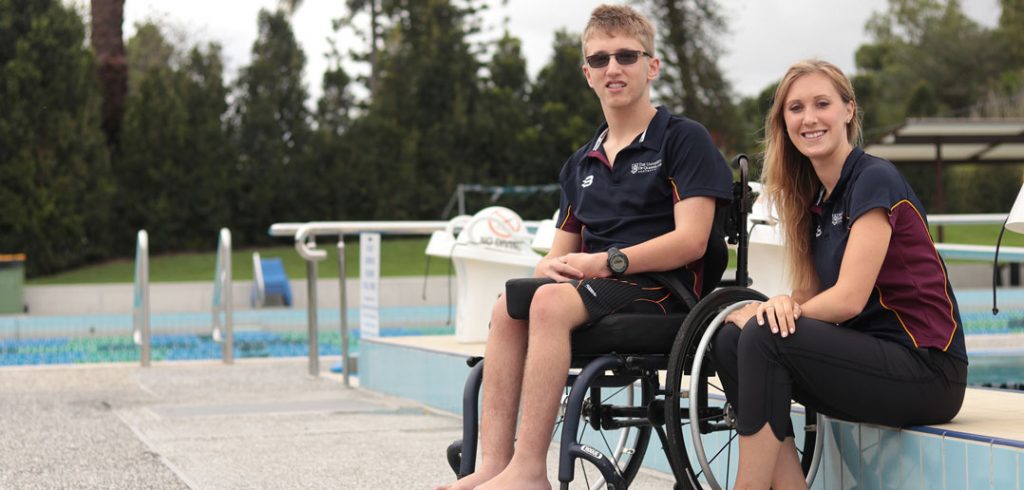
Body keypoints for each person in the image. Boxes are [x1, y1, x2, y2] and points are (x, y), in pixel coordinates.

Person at [436, 4, 732, 490]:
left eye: (626, 56)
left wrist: (608, 262)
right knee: (512, 305)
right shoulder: (581, 163)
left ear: (651, 66)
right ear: (587, 74)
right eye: (599, 59)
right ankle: (494, 465)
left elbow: (692, 240)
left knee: (550, 303)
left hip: (666, 291)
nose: (612, 68)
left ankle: (531, 473)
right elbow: (558, 254)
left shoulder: (683, 139)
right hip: (598, 286)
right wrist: (545, 272)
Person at [712, 59, 969, 489]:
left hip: (928, 370)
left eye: (822, 104)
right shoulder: (813, 201)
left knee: (763, 332)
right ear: (783, 122)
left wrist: (771, 313)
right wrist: (778, 306)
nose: (809, 118)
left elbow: (847, 299)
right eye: (796, 108)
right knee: (730, 340)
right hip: (870, 359)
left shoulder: (874, 179)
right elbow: (808, 296)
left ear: (849, 110)